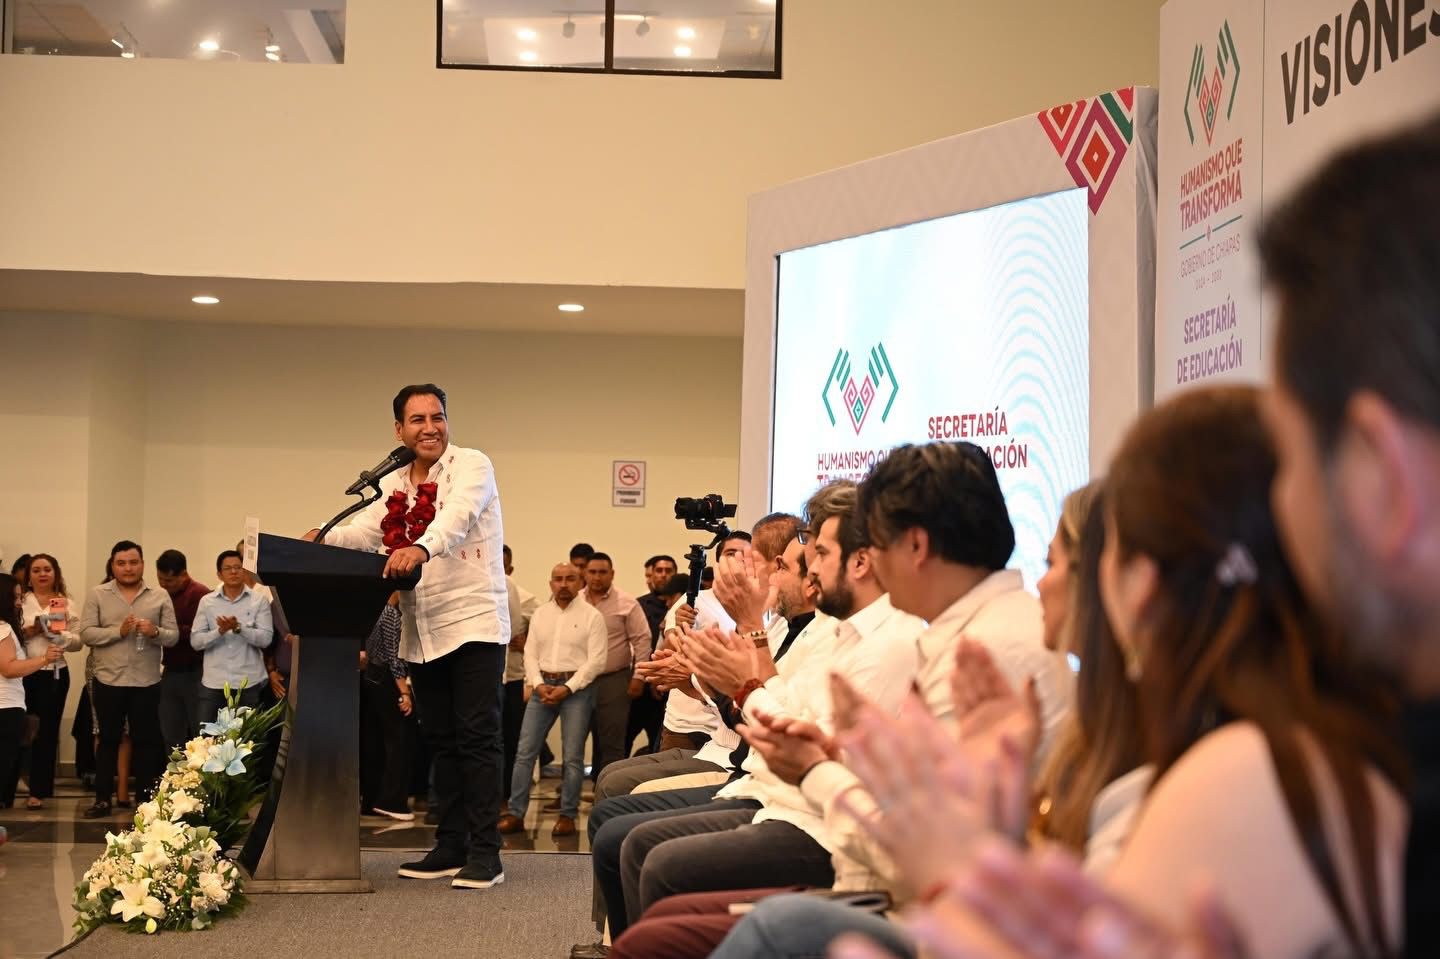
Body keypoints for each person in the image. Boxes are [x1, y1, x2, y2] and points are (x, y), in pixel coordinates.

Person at [315, 383, 511, 890]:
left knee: (477, 738)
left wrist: (420, 548)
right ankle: (451, 845)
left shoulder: (472, 465)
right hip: (423, 629)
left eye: (437, 416)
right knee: (441, 740)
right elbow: (367, 530)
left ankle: (486, 854)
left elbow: (457, 516)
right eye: (418, 419)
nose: (430, 427)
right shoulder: (394, 482)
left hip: (473, 622)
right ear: (398, 429)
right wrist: (322, 536)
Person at [499, 563, 608, 838]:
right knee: (524, 752)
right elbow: (530, 653)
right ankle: (515, 813)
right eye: (558, 579)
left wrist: (568, 688)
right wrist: (537, 683)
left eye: (570, 578)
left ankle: (567, 815)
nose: (563, 584)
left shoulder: (592, 616)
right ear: (551, 584)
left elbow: (597, 661)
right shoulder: (541, 614)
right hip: (542, 687)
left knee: (572, 756)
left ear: (580, 582)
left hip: (577, 690)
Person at [78, 541, 178, 819]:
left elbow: (173, 636)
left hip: (146, 681)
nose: (128, 568)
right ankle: (102, 799)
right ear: (112, 566)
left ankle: (144, 800)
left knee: (146, 742)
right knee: (108, 740)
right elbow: (86, 633)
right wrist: (117, 632)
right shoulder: (98, 594)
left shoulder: (159, 595)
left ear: (142, 564)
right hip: (109, 679)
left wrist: (155, 631)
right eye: (121, 563)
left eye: (133, 562)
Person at [577, 552, 652, 785]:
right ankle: (569, 794)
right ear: (585, 573)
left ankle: (607, 792)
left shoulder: (626, 603)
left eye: (602, 572)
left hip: (614, 679)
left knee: (612, 741)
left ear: (612, 574)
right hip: (578, 680)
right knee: (574, 740)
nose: (597, 577)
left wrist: (639, 677)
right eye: (592, 572)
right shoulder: (574, 600)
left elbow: (642, 640)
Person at [18, 554, 81, 808]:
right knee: (19, 730)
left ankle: (39, 791)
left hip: (54, 672)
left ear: (55, 573)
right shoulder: (21, 601)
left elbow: (78, 642)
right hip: (22, 672)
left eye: (47, 569)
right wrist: (30, 631)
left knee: (46, 731)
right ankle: (9, 787)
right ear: (28, 577)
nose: (42, 574)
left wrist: (60, 635)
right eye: (36, 570)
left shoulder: (64, 603)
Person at [2, 573, 66, 807]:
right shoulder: (3, 629)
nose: (20, 602)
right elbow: (8, 668)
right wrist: (44, 659)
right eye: (16, 598)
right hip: (6, 706)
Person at [191, 550, 273, 723]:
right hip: (214, 682)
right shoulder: (207, 602)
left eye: (238, 567)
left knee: (248, 736)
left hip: (249, 681)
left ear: (245, 571)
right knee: (207, 736)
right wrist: (220, 631)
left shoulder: (259, 601)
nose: (234, 572)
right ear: (219, 574)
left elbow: (266, 639)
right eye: (228, 568)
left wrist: (238, 628)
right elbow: (196, 642)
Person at [362, 592, 414, 820]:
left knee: (374, 743)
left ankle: (371, 800)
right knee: (397, 742)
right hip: (388, 682)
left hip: (372, 678)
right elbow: (394, 657)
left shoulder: (375, 612)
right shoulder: (391, 614)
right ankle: (392, 801)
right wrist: (404, 691)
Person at [153, 549, 211, 749]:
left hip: (196, 671)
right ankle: (174, 769)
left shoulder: (201, 595)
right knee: (170, 731)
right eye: (160, 579)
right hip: (170, 670)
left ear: (184, 574)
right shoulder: (161, 596)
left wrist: (167, 631)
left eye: (168, 581)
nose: (163, 585)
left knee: (199, 732)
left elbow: (200, 631)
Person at [501, 545, 540, 806]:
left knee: (511, 738)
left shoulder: (525, 599)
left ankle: (506, 792)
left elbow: (545, 634)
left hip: (514, 679)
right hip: (486, 679)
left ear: (510, 568)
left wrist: (527, 641)